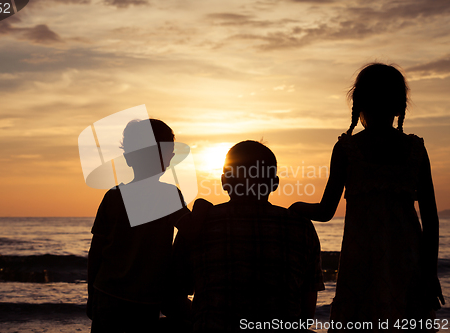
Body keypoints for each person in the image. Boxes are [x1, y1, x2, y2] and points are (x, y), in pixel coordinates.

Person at [290, 63, 445, 331]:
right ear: (400, 105)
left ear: (358, 102)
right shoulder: (414, 149)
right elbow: (431, 219)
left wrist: (296, 207)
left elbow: (326, 210)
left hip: (360, 261)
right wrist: (430, 273)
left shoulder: (347, 149)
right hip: (408, 261)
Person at [166, 140, 325, 332]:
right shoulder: (302, 227)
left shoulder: (199, 225)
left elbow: (171, 301)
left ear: (224, 181)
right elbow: (306, 315)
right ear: (274, 184)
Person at [87, 119, 189, 332]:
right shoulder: (168, 195)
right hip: (145, 299)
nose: (169, 160)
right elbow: (191, 230)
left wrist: (91, 294)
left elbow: (96, 252)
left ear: (128, 158)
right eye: (166, 153)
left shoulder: (113, 197)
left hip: (108, 295)